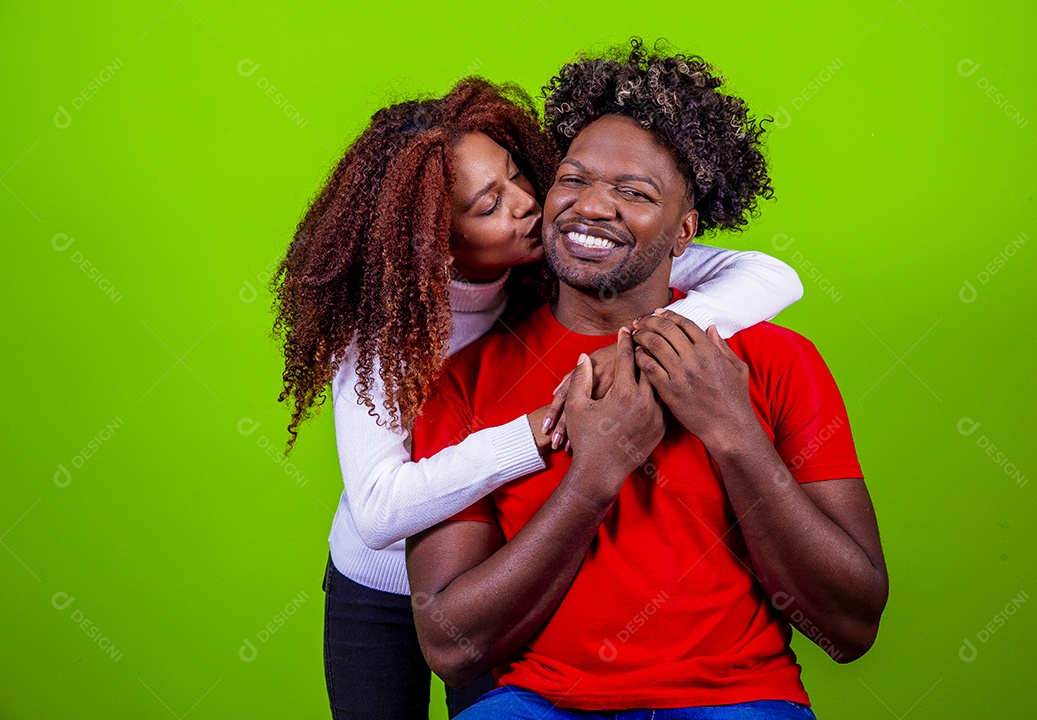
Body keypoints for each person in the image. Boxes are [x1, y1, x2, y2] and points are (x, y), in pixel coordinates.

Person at [270, 75, 805, 719]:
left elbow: (769, 274)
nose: (526, 204)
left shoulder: (559, 256)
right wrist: (540, 428)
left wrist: (640, 343)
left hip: (483, 568)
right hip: (377, 584)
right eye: (488, 206)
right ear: (435, 237)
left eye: (518, 176)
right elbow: (381, 510)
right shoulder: (381, 331)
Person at [406, 39, 888, 719]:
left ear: (684, 230)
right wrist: (596, 472)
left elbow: (851, 627)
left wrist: (732, 431)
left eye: (634, 193)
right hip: (539, 702)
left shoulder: (778, 361)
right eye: (572, 179)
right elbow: (453, 648)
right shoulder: (464, 379)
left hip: (740, 699)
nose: (591, 207)